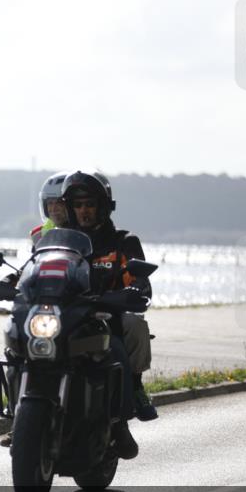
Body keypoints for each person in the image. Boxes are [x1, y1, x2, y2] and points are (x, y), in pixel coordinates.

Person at [61, 170, 157, 460]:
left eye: (89, 204)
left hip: (107, 315)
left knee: (135, 324)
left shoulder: (123, 241)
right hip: (66, 316)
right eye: (77, 205)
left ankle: (126, 409)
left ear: (102, 206)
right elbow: (37, 270)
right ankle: (23, 414)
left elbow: (140, 282)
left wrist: (136, 287)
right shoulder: (62, 241)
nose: (83, 211)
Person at [30, 171, 71, 247]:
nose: (53, 208)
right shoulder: (38, 235)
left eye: (59, 202)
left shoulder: (85, 232)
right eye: (50, 203)